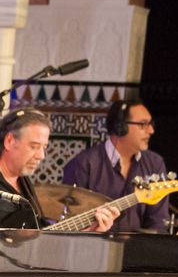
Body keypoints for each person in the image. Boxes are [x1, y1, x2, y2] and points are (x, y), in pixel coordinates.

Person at [0, 109, 117, 232]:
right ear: (9, 141)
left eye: (44, 147)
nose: (41, 156)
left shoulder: (22, 180)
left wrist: (88, 231)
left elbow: (38, 233)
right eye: (34, 146)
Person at [61, 98, 172, 232]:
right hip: (93, 242)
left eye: (150, 124)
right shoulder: (84, 164)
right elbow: (68, 219)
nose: (151, 130)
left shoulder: (155, 163)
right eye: (143, 124)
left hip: (139, 243)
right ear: (120, 127)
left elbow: (158, 223)